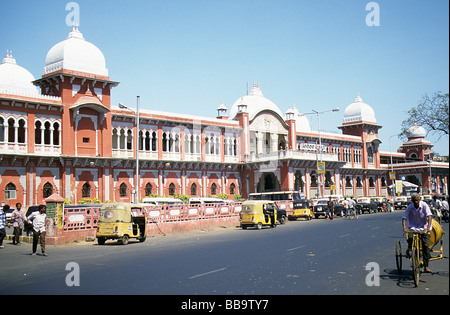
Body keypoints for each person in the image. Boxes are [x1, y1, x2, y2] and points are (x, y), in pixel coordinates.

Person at [402, 193, 433, 273]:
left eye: (417, 200)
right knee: (410, 239)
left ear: (419, 199)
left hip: (424, 227)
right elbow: (404, 217)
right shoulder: (410, 207)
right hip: (414, 227)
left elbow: (429, 216)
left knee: (425, 246)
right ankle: (410, 251)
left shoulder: (424, 205)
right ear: (412, 200)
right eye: (414, 200)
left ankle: (426, 266)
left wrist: (428, 227)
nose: (416, 202)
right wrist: (404, 227)